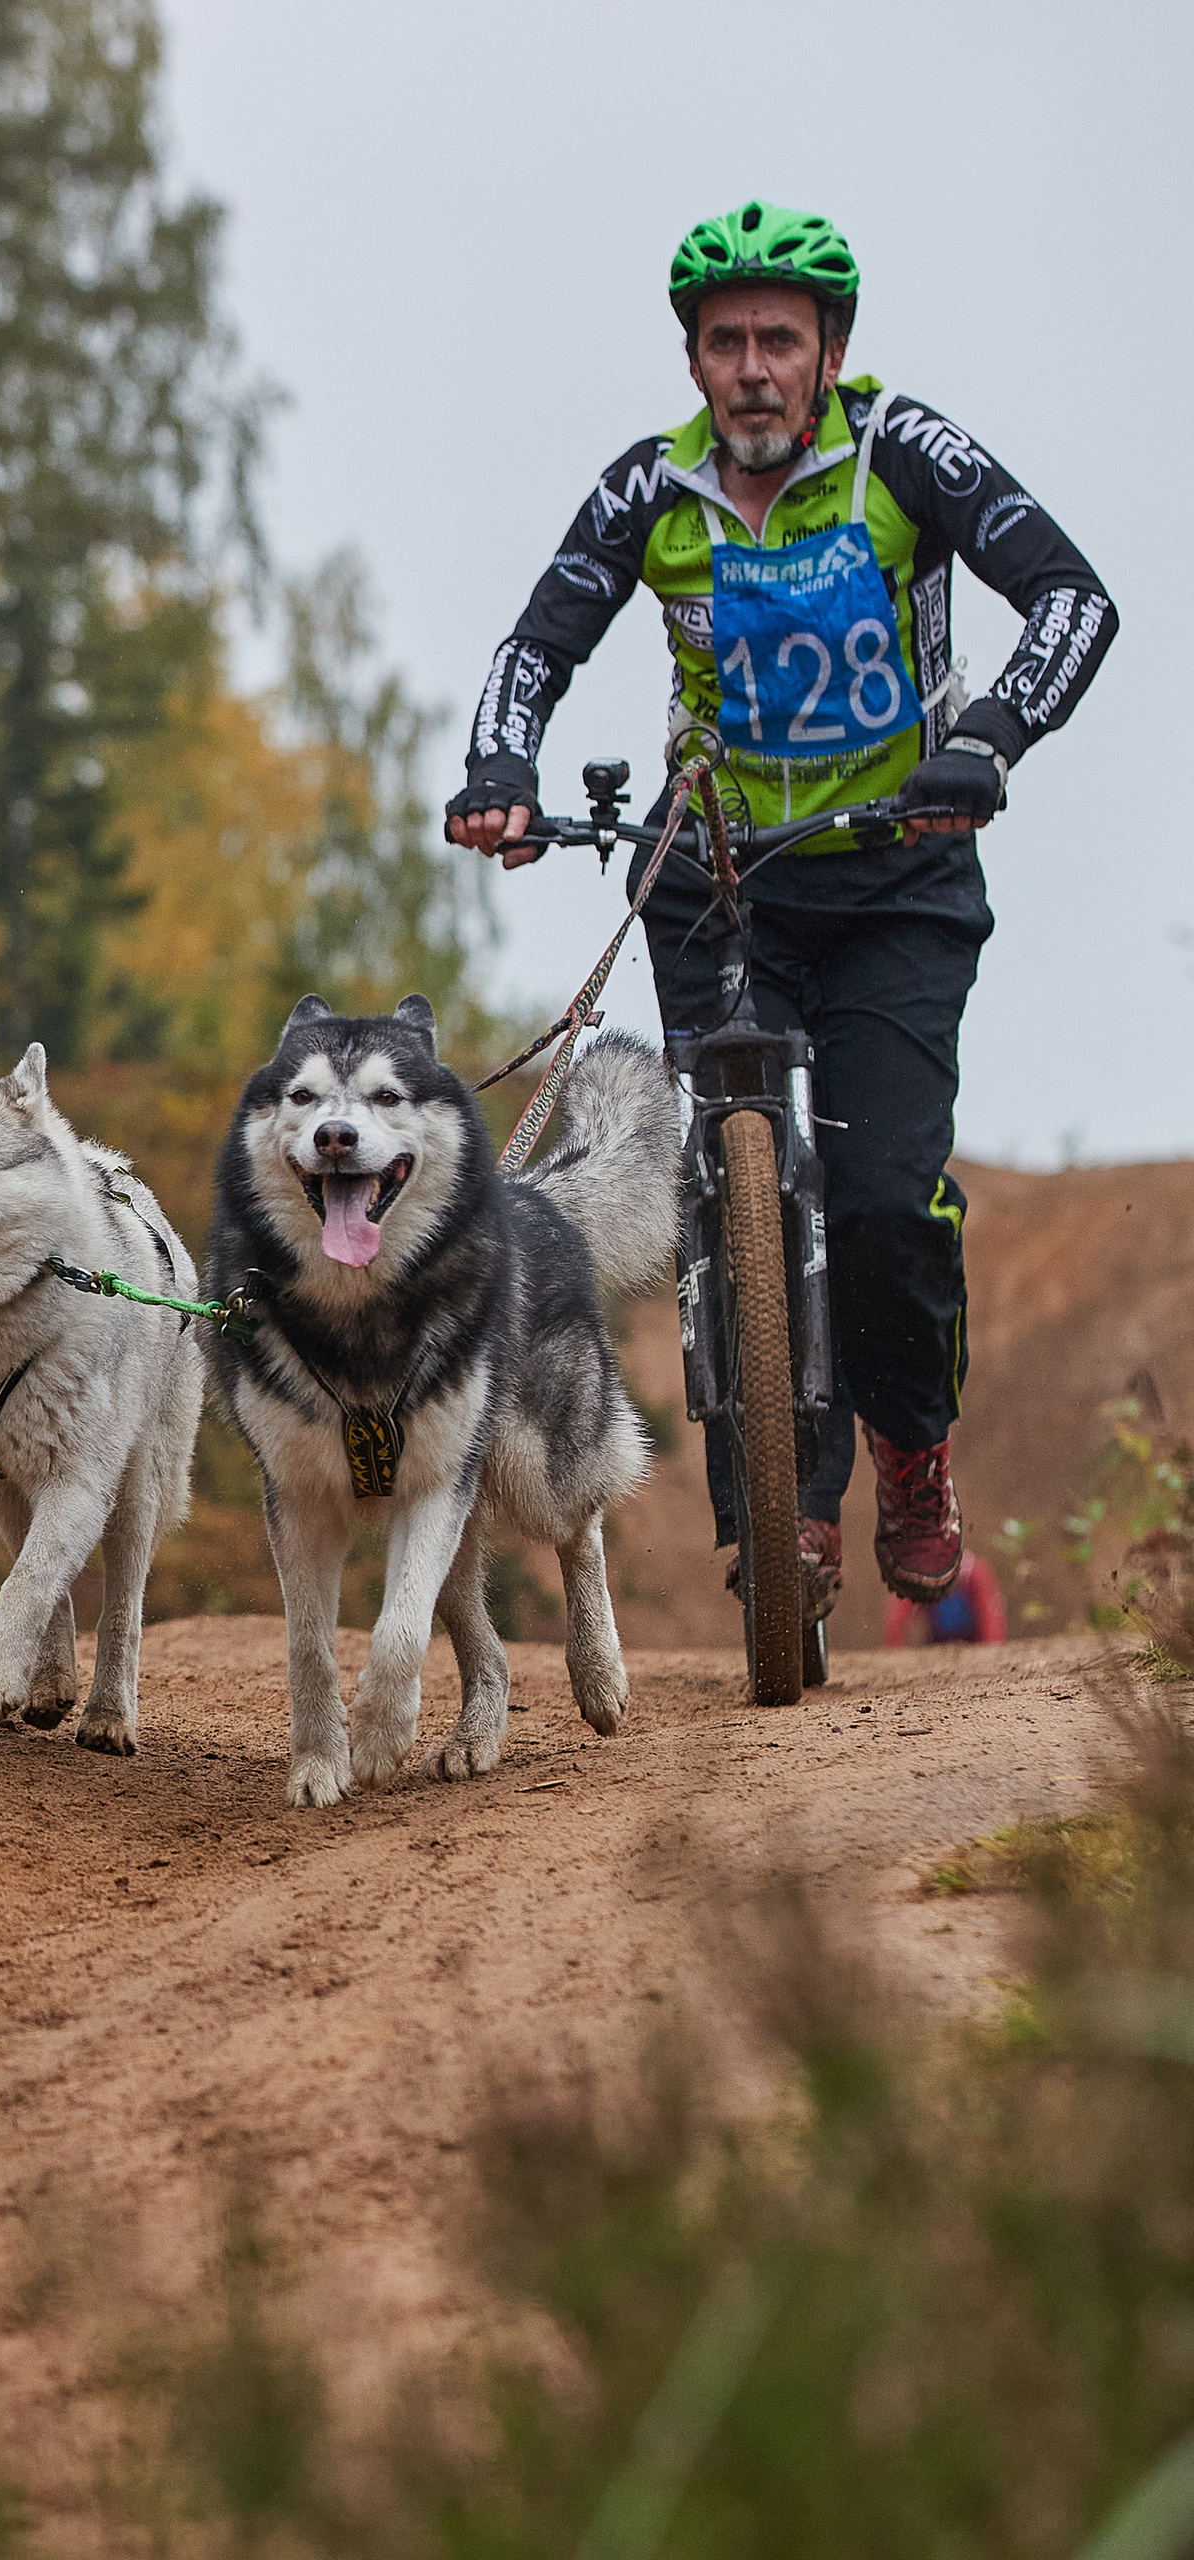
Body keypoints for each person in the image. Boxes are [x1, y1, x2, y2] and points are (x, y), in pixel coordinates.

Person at [445, 201, 1116, 1619]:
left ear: (830, 354)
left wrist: (986, 741)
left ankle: (913, 1448)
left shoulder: (906, 454)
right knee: (727, 1191)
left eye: (779, 341)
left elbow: (1072, 599)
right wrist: (499, 771)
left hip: (897, 876)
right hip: (720, 881)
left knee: (880, 1201)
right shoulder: (651, 490)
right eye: (725, 342)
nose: (752, 368)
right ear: (692, 360)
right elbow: (534, 647)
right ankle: (780, 1511)